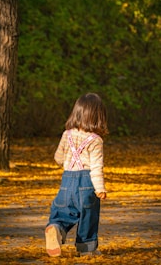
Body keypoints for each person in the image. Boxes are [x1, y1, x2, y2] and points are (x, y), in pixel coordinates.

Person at [45, 93, 108, 257]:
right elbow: (96, 167)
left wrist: (66, 161)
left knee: (64, 210)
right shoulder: (95, 140)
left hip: (67, 180)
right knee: (88, 214)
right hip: (86, 182)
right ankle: (87, 250)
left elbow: (58, 158)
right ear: (98, 116)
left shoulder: (67, 134)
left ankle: (56, 228)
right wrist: (100, 188)